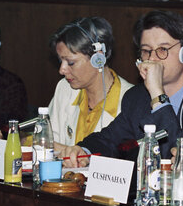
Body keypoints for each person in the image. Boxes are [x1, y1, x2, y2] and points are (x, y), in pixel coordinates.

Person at [58, 10, 183, 167]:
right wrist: (83, 150)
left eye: (162, 50)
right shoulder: (137, 97)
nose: (153, 59)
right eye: (146, 51)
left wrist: (158, 95)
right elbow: (110, 139)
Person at [47, 17, 134, 146]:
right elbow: (46, 142)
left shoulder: (131, 101)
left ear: (98, 58)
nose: (62, 70)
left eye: (71, 62)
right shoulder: (64, 88)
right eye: (61, 61)